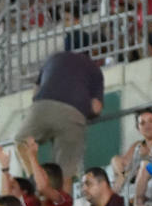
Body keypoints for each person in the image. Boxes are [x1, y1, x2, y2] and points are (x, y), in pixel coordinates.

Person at [15, 50, 104, 178]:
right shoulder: (94, 68)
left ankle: (35, 179)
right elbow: (96, 108)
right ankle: (62, 197)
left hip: (42, 107)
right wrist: (82, 108)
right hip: (74, 114)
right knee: (65, 171)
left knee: (21, 141)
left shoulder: (53, 58)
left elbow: (35, 93)